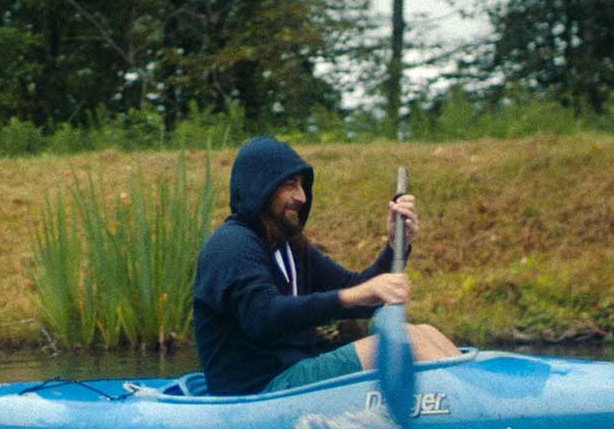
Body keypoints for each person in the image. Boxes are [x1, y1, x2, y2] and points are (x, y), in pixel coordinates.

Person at [192, 136, 460, 395]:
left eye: (302, 186)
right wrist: (349, 296)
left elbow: (364, 294)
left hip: (296, 376)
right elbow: (265, 315)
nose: (302, 197)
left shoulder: (291, 247)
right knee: (407, 344)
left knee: (423, 332)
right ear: (261, 187)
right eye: (290, 185)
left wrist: (395, 246)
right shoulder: (232, 246)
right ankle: (475, 413)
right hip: (260, 390)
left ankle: (477, 400)